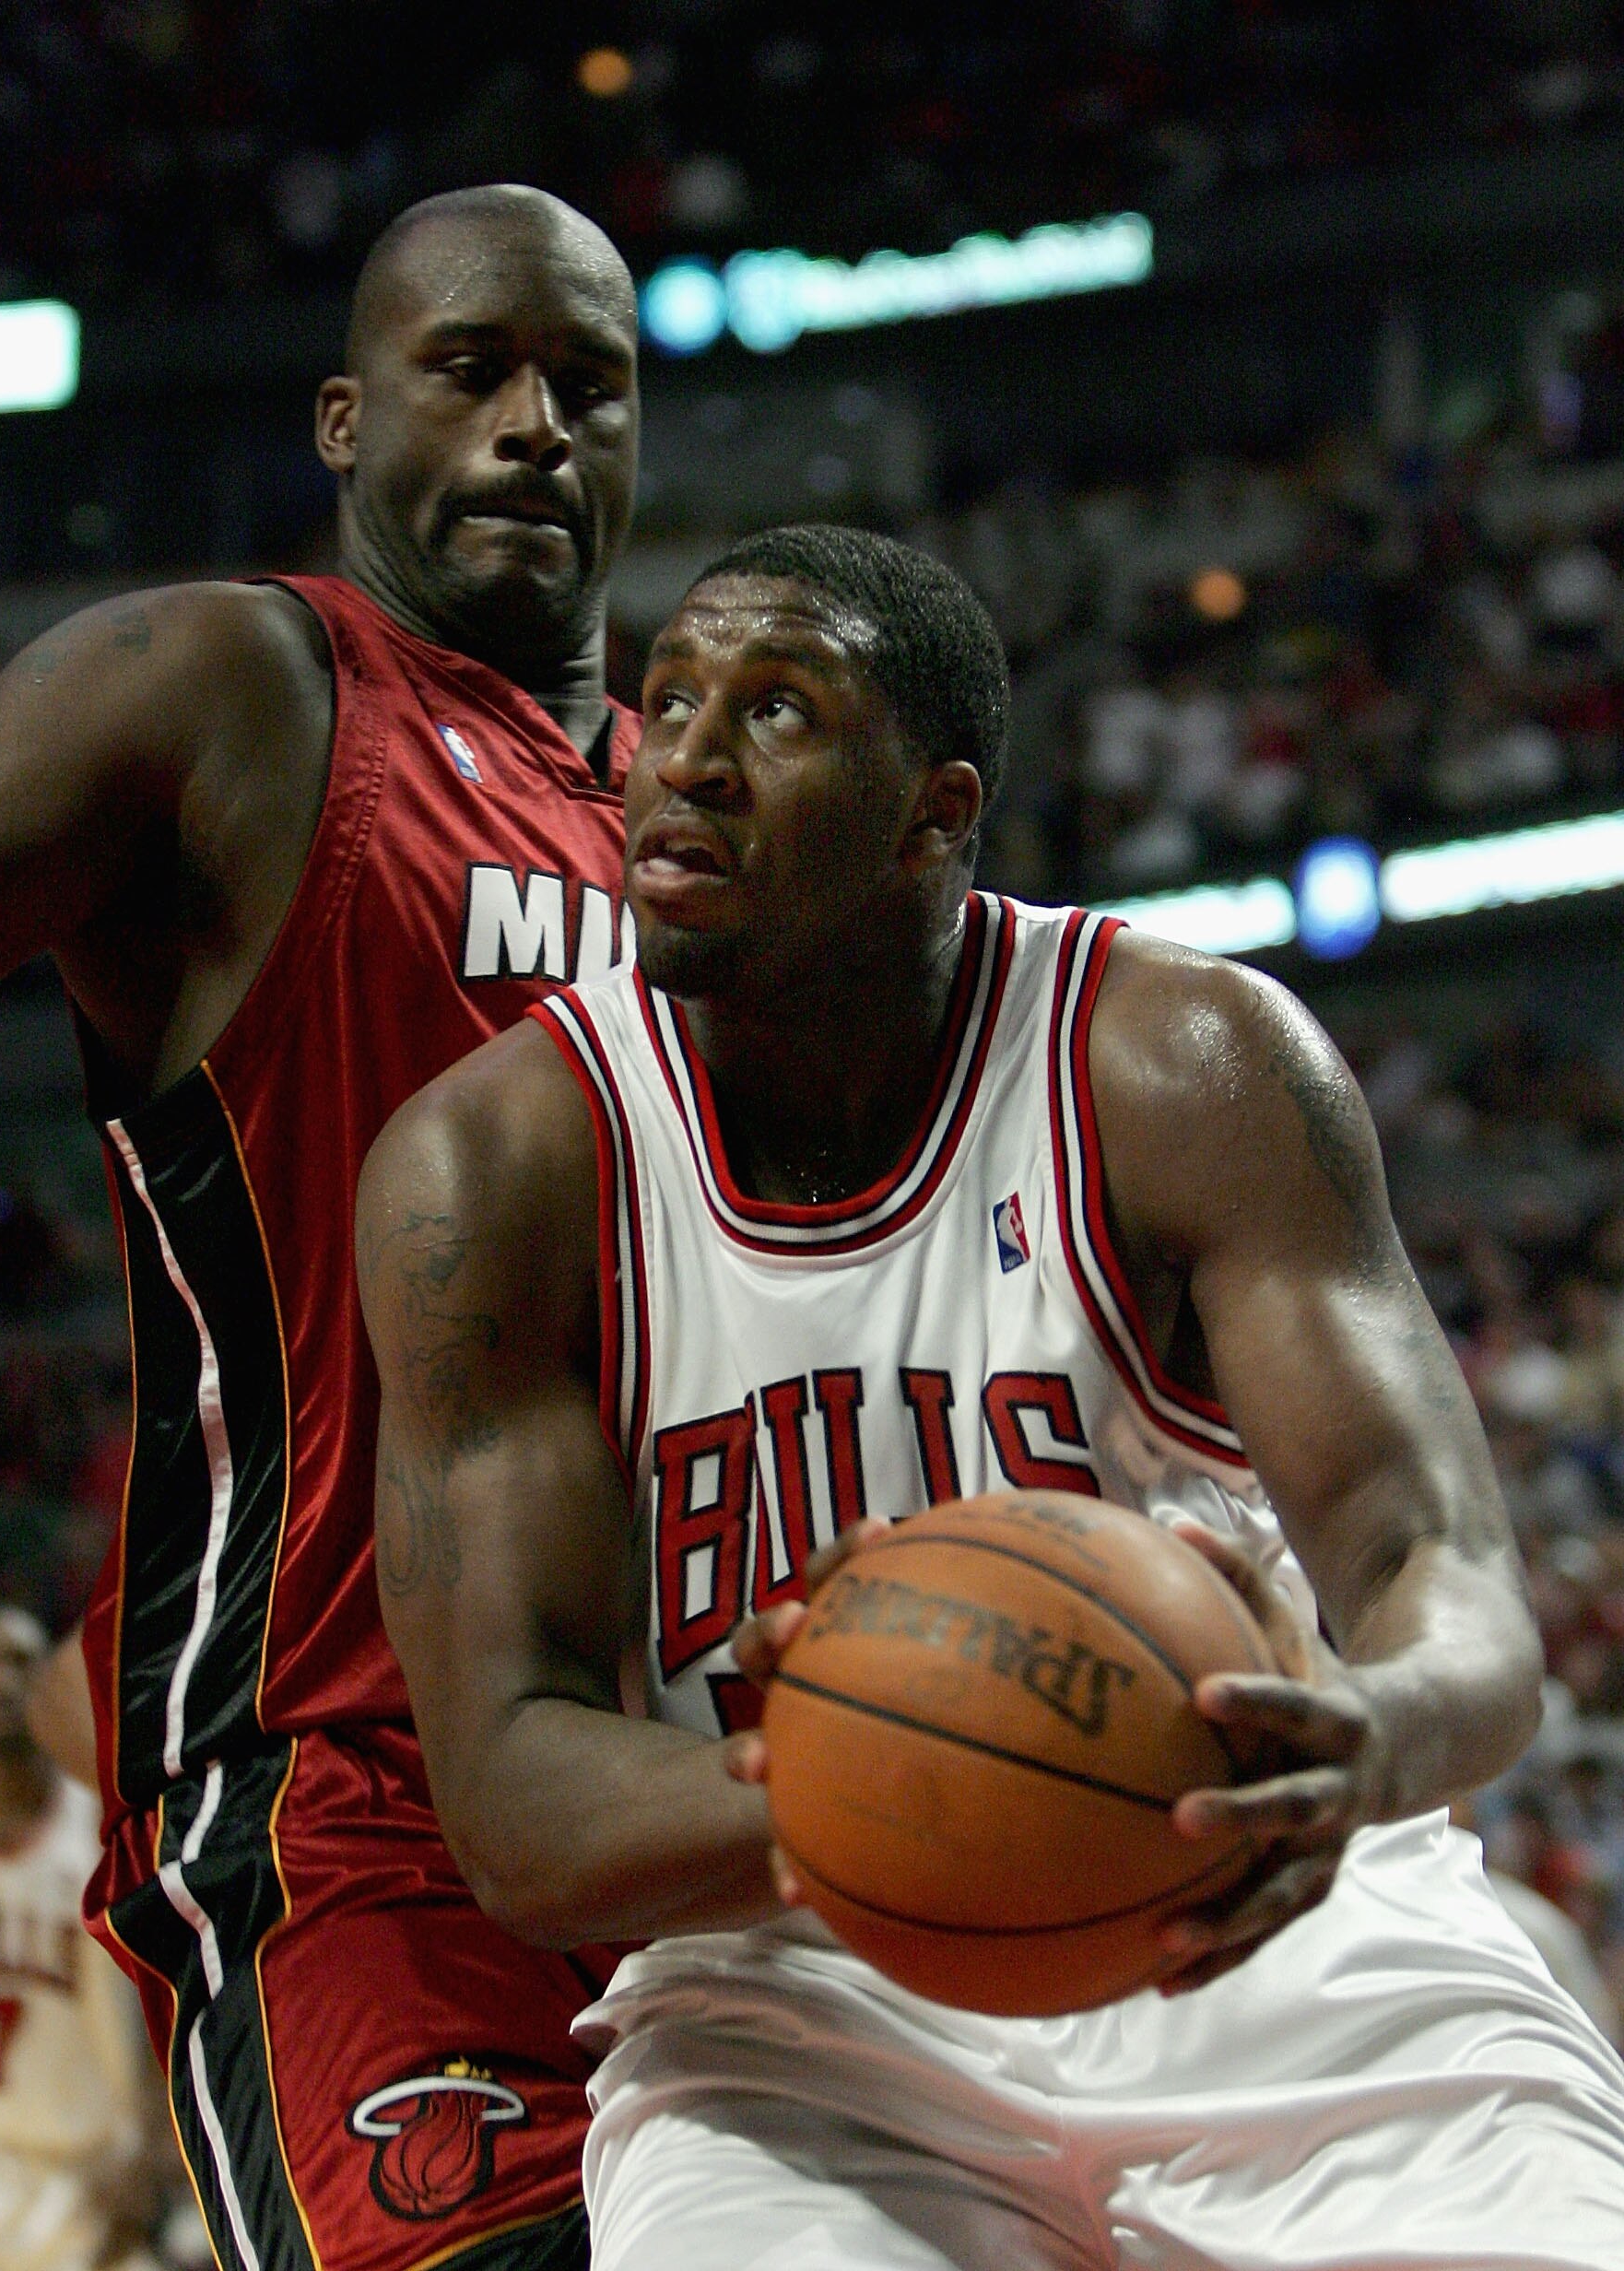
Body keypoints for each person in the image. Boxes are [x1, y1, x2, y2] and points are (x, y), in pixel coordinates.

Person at [359, 524, 1624, 2270]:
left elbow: (1441, 1573)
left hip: (1263, 1931)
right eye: (667, 700)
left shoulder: (1184, 1061)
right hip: (806, 2010)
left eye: (780, 708)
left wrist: (1371, 1742)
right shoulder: (492, 1165)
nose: (685, 761)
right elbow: (516, 1799)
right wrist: (926, 1781)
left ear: (934, 811)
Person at [0, 185, 642, 2271]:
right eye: (472, 367)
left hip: (723, 1806)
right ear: (341, 420)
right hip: (354, 1816)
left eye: (589, 386)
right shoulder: (235, 686)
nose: (534, 424)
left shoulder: (712, 813)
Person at [0, 1607, 161, 2271]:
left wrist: (150, 2154)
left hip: (79, 2181)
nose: (1, 1682)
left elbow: (165, 2004)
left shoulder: (107, 1831)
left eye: (21, 1663)